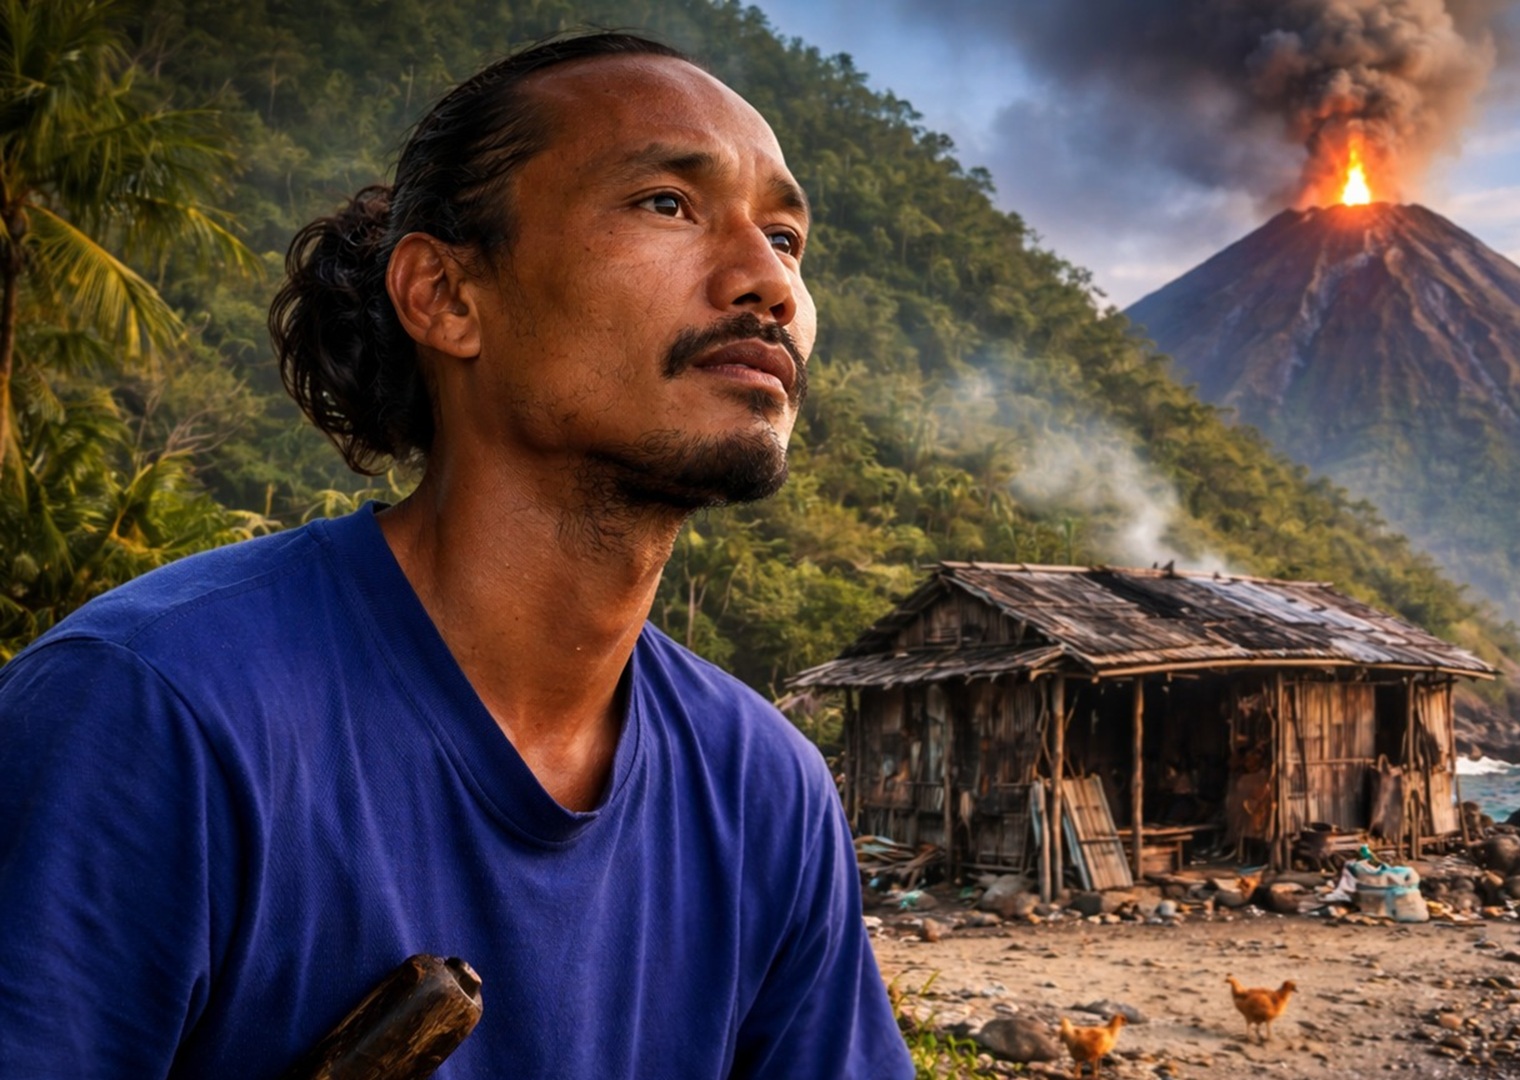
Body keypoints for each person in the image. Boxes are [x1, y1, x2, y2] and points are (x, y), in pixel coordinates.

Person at [0, 32, 913, 1079]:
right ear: (445, 295)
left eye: (789, 238)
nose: (769, 283)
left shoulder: (764, 793)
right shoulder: (154, 714)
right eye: (666, 202)